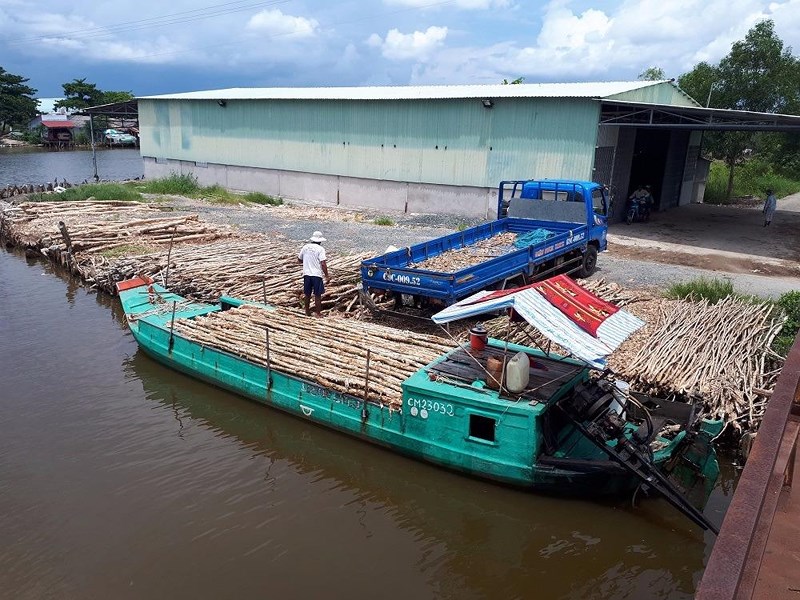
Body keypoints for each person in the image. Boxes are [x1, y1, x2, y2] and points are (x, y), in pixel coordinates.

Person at [298, 230, 330, 316]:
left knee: (307, 294)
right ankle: (318, 314)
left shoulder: (305, 247)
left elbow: (299, 259)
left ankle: (307, 312)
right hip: (316, 275)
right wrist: (327, 276)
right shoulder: (320, 249)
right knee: (317, 295)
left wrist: (307, 261)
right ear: (320, 241)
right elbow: (323, 264)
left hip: (307, 274)